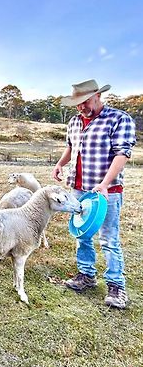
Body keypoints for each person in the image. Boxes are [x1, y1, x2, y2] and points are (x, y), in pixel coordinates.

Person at [52, 79, 136, 309]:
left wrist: (105, 184)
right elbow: (71, 147)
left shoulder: (118, 119)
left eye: (85, 101)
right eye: (77, 103)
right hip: (78, 188)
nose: (81, 107)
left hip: (106, 191)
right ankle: (86, 275)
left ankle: (116, 286)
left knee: (109, 238)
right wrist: (60, 164)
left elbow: (122, 154)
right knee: (82, 234)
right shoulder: (75, 121)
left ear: (98, 96)